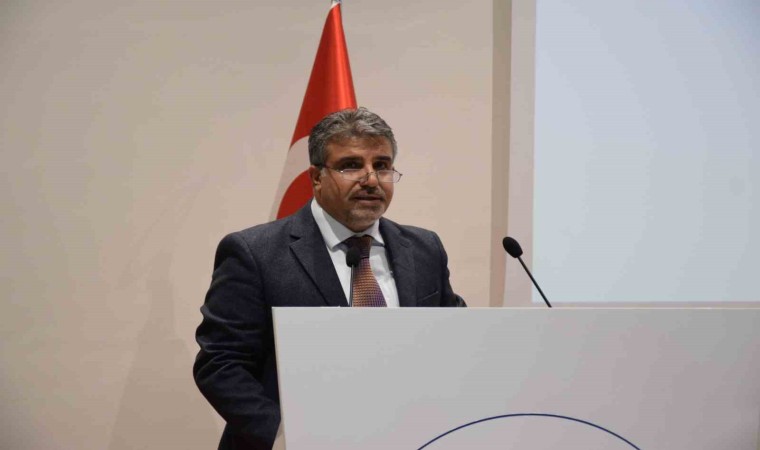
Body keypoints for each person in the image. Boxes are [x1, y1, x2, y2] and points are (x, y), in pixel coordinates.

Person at [193, 107, 465, 450]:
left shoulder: (425, 248)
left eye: (382, 165)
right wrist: (284, 436)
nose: (371, 179)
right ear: (316, 177)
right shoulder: (254, 253)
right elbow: (220, 363)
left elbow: (454, 340)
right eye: (351, 165)